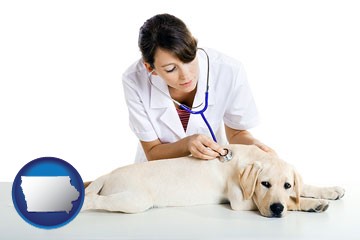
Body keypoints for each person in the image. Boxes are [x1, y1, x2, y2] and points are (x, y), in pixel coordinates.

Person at [122, 13, 273, 163]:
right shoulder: (134, 80)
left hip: (210, 169)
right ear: (150, 68)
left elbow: (236, 133)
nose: (186, 75)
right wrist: (187, 144)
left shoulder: (228, 70)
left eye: (189, 59)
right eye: (170, 69)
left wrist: (254, 147)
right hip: (158, 172)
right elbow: (152, 151)